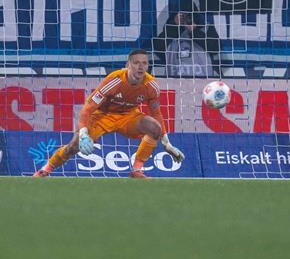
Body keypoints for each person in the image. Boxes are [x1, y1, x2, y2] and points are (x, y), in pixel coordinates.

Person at [34, 49, 184, 179]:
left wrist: (167, 143)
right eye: (136, 63)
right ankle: (45, 169)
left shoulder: (151, 86)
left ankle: (137, 169)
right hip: (101, 116)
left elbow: (156, 113)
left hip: (128, 117)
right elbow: (88, 108)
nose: (141, 67)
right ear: (128, 65)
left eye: (144, 63)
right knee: (73, 147)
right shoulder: (115, 80)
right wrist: (84, 134)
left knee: (154, 127)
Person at [151, 0, 222, 78]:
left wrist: (194, 31)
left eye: (188, 15)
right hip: (174, 84)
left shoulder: (206, 28)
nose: (185, 18)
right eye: (182, 15)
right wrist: (174, 25)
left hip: (203, 83)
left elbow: (216, 48)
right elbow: (158, 48)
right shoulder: (169, 32)